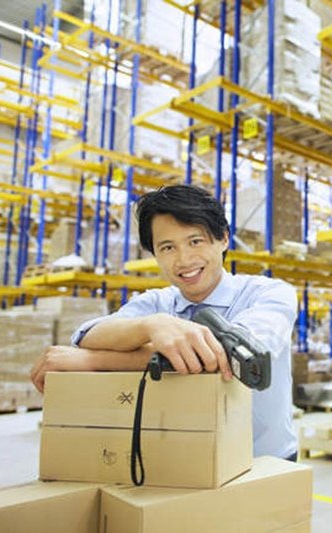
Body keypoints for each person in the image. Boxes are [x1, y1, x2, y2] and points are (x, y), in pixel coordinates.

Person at [30, 184, 298, 461]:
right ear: (155, 254)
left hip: (264, 461)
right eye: (168, 247)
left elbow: (234, 357)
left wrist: (93, 361)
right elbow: (90, 334)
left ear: (223, 239)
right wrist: (150, 327)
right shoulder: (157, 303)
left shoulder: (268, 293)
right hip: (184, 462)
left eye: (195, 241)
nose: (184, 259)